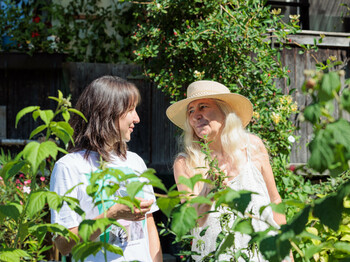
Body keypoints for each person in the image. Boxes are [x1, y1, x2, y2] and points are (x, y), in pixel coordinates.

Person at [166, 80, 288, 261]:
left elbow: (275, 200)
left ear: (225, 112)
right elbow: (191, 222)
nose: (195, 116)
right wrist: (208, 192)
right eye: (191, 111)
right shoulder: (186, 163)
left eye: (203, 107)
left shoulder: (253, 147)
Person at [50, 75, 162, 262]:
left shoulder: (135, 162)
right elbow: (63, 244)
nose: (137, 118)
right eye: (131, 110)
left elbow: (149, 225)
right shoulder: (68, 167)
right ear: (108, 111)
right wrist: (111, 214)